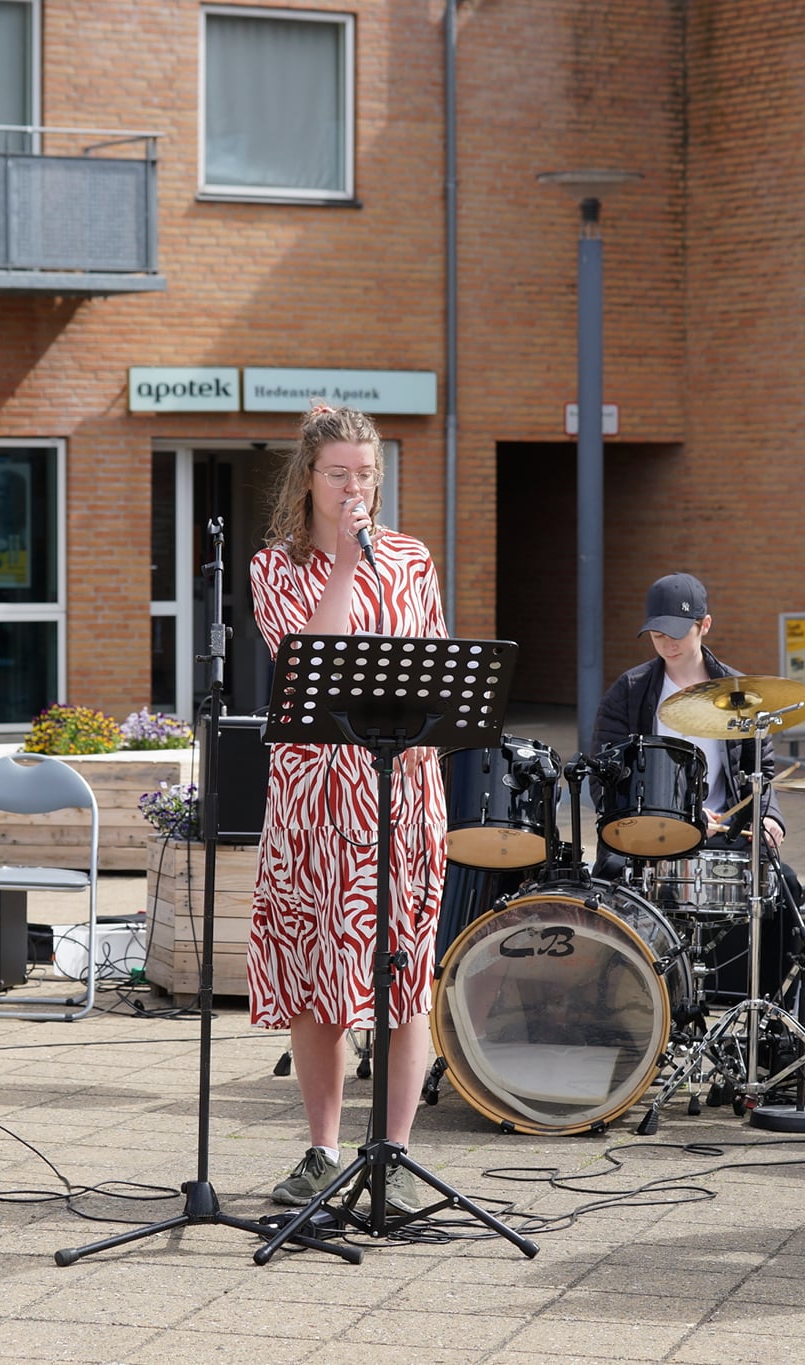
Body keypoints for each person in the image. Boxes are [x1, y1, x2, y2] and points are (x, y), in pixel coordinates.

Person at [248, 405, 447, 1213]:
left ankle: (395, 1155)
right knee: (316, 977)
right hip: (314, 799)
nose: (356, 487)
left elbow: (438, 665)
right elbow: (311, 666)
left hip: (398, 791)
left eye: (366, 473)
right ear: (309, 478)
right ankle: (322, 1151)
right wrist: (342, 567)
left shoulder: (411, 558)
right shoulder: (277, 568)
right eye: (340, 474)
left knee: (406, 974)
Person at [592, 571, 786, 854]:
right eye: (658, 635)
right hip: (649, 833)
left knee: (785, 885)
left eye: (678, 634)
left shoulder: (739, 693)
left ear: (705, 625)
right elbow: (603, 774)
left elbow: (759, 772)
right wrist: (682, 814)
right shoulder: (628, 691)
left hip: (724, 832)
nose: (668, 645)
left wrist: (768, 816)